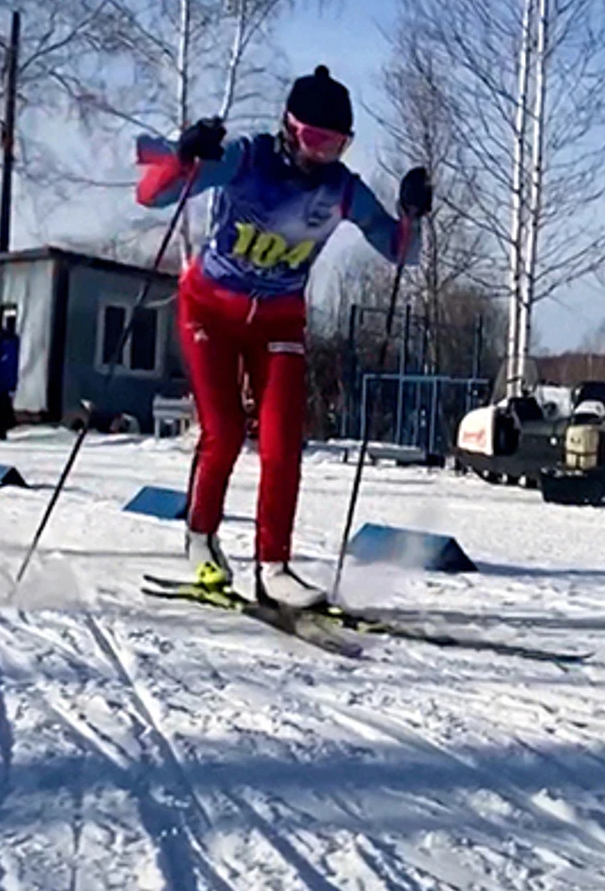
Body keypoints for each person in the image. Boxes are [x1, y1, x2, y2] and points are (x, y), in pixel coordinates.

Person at [135, 64, 432, 610]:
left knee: (281, 445)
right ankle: (201, 540)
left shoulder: (342, 190)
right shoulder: (248, 159)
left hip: (278, 319)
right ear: (289, 128)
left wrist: (413, 214)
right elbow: (152, 196)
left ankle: (274, 566)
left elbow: (400, 252)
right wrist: (185, 152)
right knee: (222, 432)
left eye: (336, 144)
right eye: (315, 139)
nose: (323, 155)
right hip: (211, 309)